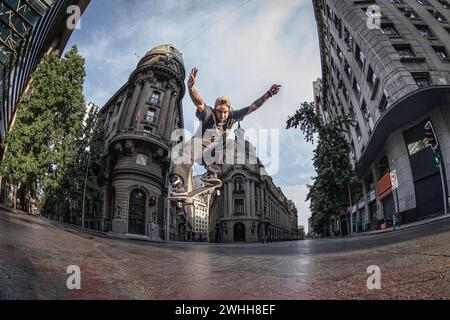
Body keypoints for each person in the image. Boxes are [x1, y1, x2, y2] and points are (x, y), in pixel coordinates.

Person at [170, 68, 281, 197]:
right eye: (219, 111)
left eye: (225, 112)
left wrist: (268, 94)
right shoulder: (209, 113)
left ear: (229, 111)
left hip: (212, 154)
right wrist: (191, 88)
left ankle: (211, 173)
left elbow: (252, 107)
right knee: (191, 146)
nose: (222, 115)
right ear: (215, 109)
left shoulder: (232, 117)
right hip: (198, 149)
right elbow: (199, 102)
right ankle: (177, 183)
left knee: (230, 143)